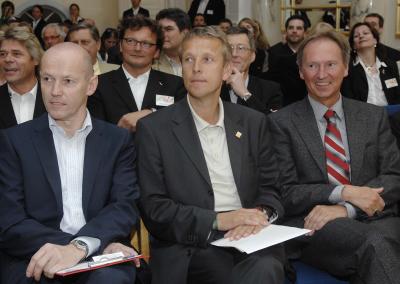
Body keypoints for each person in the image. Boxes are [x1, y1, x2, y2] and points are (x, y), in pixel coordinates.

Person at [136, 26, 285, 284]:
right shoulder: (154, 129)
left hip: (251, 237)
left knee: (265, 267)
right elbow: (155, 209)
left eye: (207, 59)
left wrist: (258, 215)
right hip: (191, 246)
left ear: (227, 70)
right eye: (188, 59)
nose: (196, 68)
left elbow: (272, 188)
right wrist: (218, 220)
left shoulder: (252, 122)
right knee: (249, 272)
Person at [0, 42, 139, 284]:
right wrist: (78, 246)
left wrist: (82, 247)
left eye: (68, 81)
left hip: (101, 260)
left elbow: (124, 206)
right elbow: (10, 220)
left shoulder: (118, 141)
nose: (54, 91)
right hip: (35, 254)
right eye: (47, 79)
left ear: (91, 85)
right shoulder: (13, 141)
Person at [268, 29, 400, 283]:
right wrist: (342, 192)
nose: (322, 74)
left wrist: (346, 207)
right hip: (316, 226)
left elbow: (394, 176)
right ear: (300, 71)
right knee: (376, 244)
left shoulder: (372, 116)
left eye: (331, 64)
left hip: (378, 216)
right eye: (312, 65)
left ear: (346, 68)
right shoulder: (280, 123)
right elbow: (285, 191)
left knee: (382, 245)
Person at [88, 16, 185, 132]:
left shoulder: (175, 84)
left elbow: (182, 120)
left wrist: (151, 113)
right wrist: (118, 131)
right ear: (120, 46)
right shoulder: (98, 84)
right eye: (131, 41)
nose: (137, 48)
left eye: (146, 43)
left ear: (157, 52)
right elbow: (95, 132)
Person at [220, 26, 282, 115]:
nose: (234, 54)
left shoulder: (271, 90)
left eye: (241, 48)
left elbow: (273, 124)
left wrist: (245, 94)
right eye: (229, 48)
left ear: (252, 56)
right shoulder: (213, 87)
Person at [342, 22, 400, 106]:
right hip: (362, 115)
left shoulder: (390, 66)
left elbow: (397, 97)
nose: (361, 36)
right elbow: (348, 100)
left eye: (365, 33)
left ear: (375, 40)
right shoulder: (348, 68)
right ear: (353, 45)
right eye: (356, 36)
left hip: (391, 115)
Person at [0, 26, 46, 129]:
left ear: (35, 59)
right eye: (2, 54)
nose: (7, 59)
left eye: (16, 54)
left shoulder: (53, 96)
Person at [265, 14, 307, 105]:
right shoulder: (274, 52)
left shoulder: (310, 52)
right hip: (281, 103)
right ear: (286, 31)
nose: (294, 31)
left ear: (305, 32)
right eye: (291, 28)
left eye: (299, 28)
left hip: (306, 102)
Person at [152, 8, 191, 77]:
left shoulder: (199, 60)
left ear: (185, 33)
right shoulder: (152, 62)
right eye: (160, 30)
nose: (162, 34)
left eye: (168, 29)